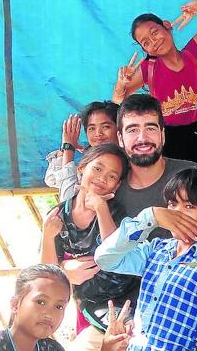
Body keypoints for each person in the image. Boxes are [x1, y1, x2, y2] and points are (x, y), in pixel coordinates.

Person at [94, 166, 197, 351]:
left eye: (189, 206)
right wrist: (150, 217)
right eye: (172, 204)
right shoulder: (156, 249)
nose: (176, 213)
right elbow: (105, 258)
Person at [111, 94, 197, 254]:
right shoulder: (112, 185)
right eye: (132, 130)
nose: (142, 138)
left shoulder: (193, 175)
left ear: (163, 134)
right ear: (120, 138)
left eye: (150, 128)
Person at [40, 144, 139, 348]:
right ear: (81, 168)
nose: (102, 178)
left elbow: (116, 256)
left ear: (117, 186)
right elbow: (46, 273)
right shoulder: (58, 216)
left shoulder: (117, 214)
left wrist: (101, 208)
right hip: (94, 307)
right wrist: (48, 237)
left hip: (130, 299)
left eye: (112, 176)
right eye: (97, 168)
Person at [111, 0, 197, 169]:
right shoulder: (149, 68)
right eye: (145, 43)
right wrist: (121, 84)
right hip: (169, 136)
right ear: (145, 50)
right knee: (173, 188)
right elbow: (118, 100)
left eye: (154, 32)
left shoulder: (192, 54)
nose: (153, 42)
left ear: (167, 26)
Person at [45, 101, 120, 201]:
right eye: (91, 128)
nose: (98, 133)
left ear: (119, 129)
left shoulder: (123, 162)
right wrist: (64, 149)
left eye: (106, 127)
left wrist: (69, 149)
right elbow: (52, 179)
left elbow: (68, 200)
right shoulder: (89, 159)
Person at [0, 264, 70, 351]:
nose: (50, 314)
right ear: (15, 304)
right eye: (41, 302)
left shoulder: (53, 348)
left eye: (59, 307)